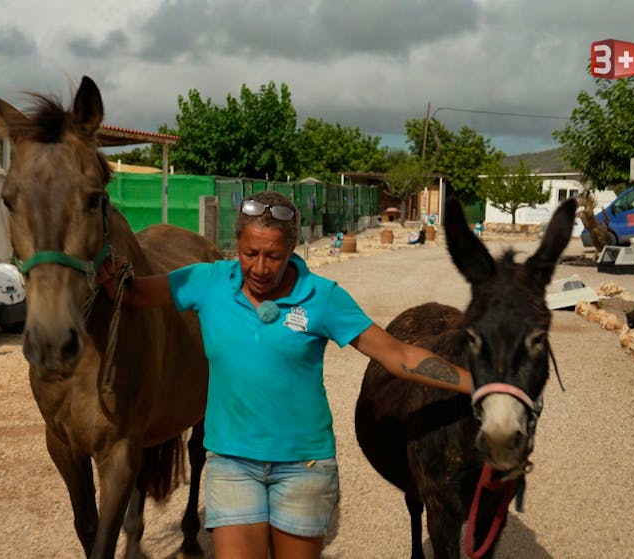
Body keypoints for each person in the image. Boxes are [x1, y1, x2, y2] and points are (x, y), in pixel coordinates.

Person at [98, 190, 472, 559]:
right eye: (250, 254)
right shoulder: (208, 281)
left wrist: (478, 383)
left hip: (304, 468)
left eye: (274, 256)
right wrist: (110, 279)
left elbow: (399, 355)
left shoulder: (322, 297)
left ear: (292, 248)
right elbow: (135, 293)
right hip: (232, 465)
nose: (260, 268)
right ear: (236, 246)